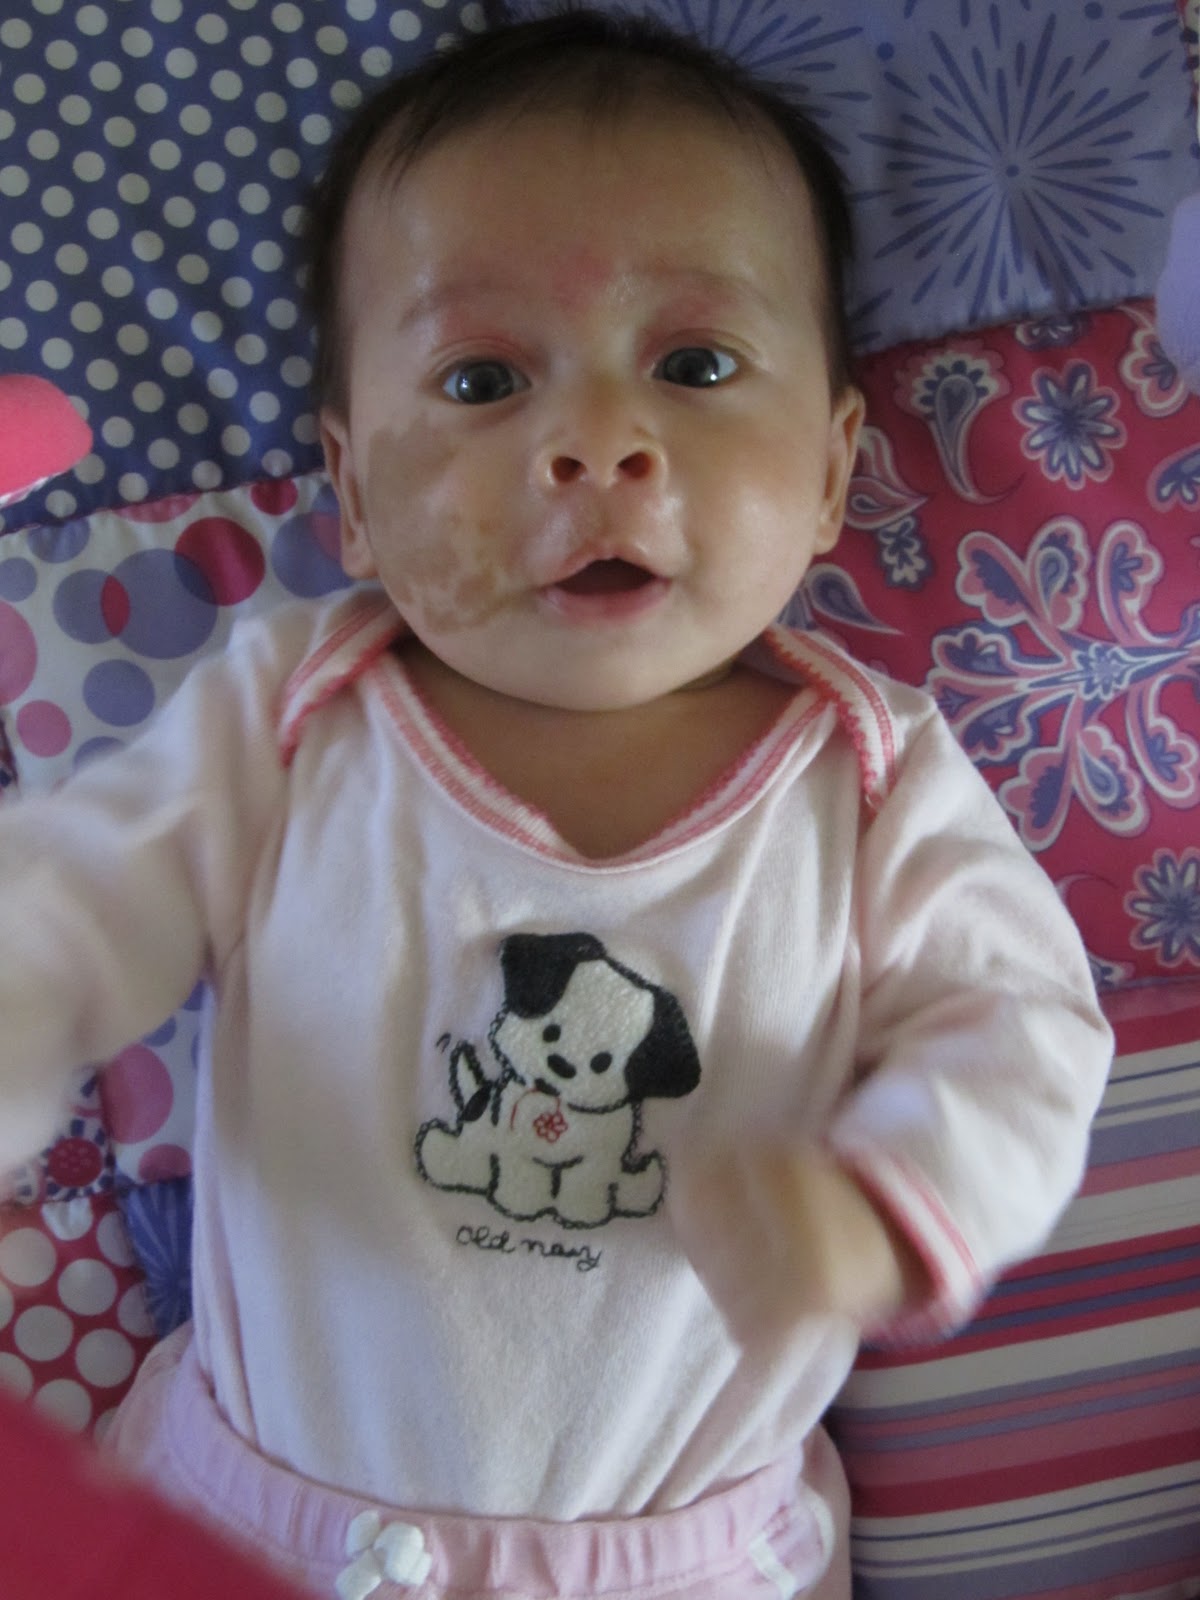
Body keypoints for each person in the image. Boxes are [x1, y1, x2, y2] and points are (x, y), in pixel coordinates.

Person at [0, 11, 1112, 1597]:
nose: (596, 444)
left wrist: (890, 1199)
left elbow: (1026, 1031)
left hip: (686, 1560)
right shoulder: (297, 715)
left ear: (830, 474)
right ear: (352, 494)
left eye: (696, 364)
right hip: (237, 1525)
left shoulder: (872, 781)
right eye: (482, 379)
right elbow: (91, 887)